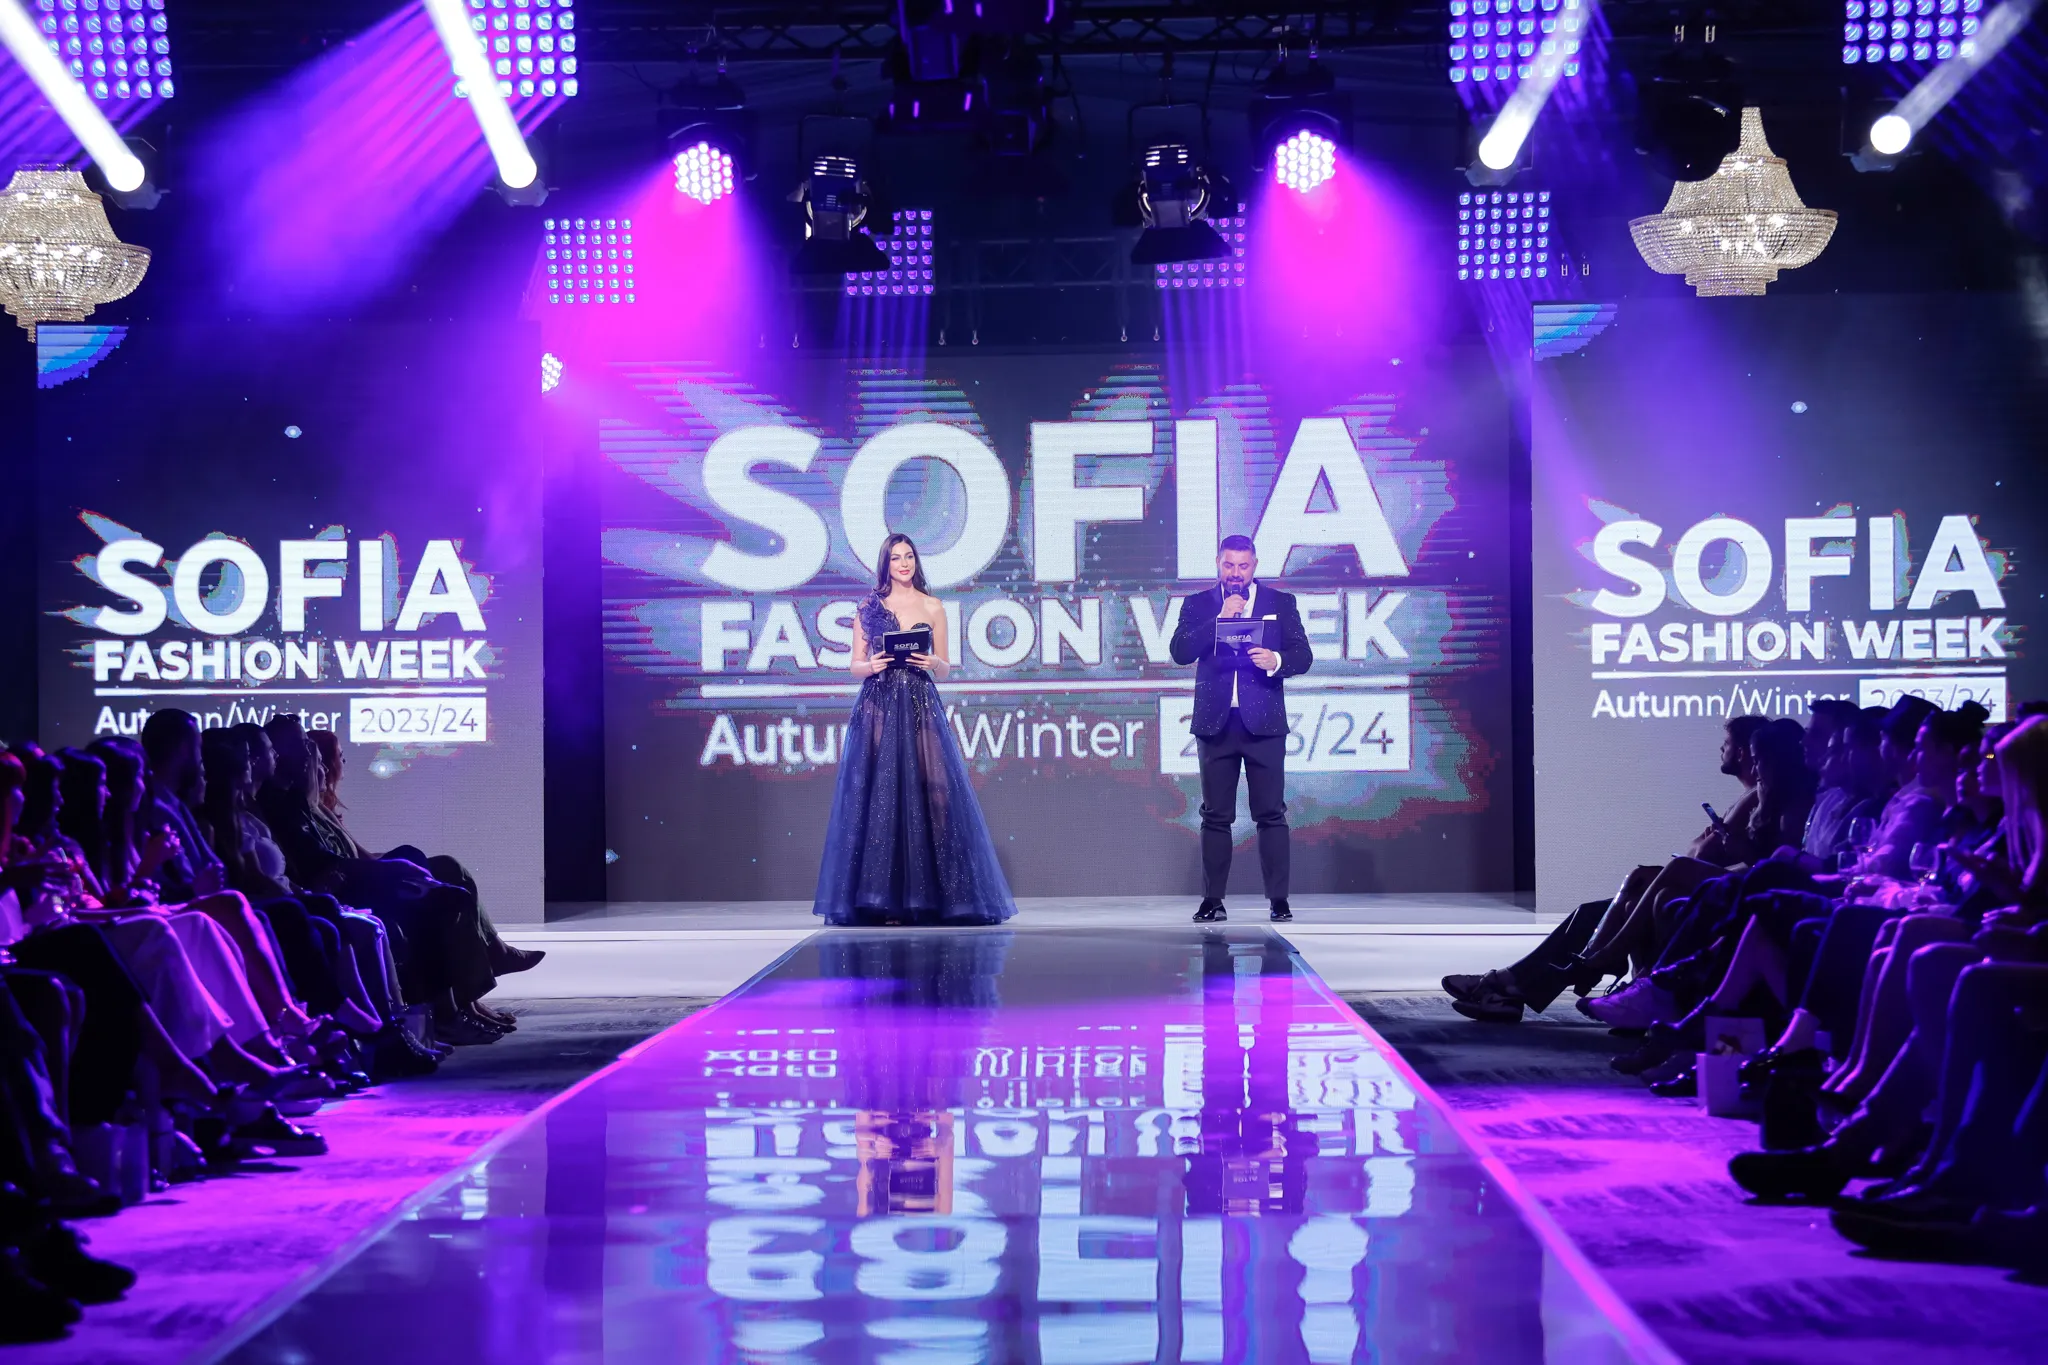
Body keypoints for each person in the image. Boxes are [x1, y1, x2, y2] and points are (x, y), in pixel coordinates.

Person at [812, 532, 1015, 927]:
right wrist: (872, 665)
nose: (903, 564)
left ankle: (936, 898)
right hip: (879, 703)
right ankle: (882, 901)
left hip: (920, 702)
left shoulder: (932, 606)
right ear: (885, 564)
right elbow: (855, 665)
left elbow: (946, 667)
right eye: (895, 558)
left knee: (932, 792)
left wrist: (931, 662)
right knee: (882, 795)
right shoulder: (869, 607)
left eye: (908, 557)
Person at [1169, 535, 1314, 924]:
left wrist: (1275, 659)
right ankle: (1212, 900)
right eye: (1229, 565)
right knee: (1216, 816)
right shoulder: (1198, 604)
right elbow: (1180, 651)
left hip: (1264, 723)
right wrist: (1219, 620)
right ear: (1219, 563)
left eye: (1243, 566)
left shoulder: (1280, 603)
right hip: (1215, 724)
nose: (1236, 573)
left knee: (1270, 813)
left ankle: (1279, 901)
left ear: (1255, 566)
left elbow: (1303, 655)